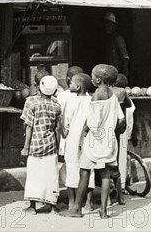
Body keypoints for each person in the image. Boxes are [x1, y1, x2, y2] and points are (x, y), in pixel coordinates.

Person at [64, 64, 124, 219]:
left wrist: (86, 130)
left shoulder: (96, 95)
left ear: (98, 79)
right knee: (105, 174)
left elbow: (93, 123)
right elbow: (121, 119)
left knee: (84, 172)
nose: (91, 78)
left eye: (92, 75)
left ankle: (76, 208)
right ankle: (104, 211)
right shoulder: (113, 95)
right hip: (108, 141)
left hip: (94, 142)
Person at [20, 75, 62, 215]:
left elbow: (28, 127)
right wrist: (57, 146)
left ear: (38, 87)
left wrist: (25, 148)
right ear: (55, 91)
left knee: (34, 175)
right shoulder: (56, 106)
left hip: (34, 145)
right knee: (51, 175)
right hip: (50, 145)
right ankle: (52, 207)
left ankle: (32, 206)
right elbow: (57, 129)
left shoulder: (31, 102)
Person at [59, 73, 93, 210]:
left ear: (77, 86)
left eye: (71, 83)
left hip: (73, 138)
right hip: (88, 138)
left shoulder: (71, 101)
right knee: (89, 169)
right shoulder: (92, 100)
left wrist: (63, 130)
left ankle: (71, 202)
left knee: (71, 167)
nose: (70, 85)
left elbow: (65, 122)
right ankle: (89, 203)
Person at [109, 73, 131, 205]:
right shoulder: (122, 92)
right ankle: (119, 194)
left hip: (105, 131)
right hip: (118, 130)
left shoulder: (99, 92)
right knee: (115, 163)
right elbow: (127, 105)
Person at [114, 73, 136, 200]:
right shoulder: (128, 101)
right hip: (124, 133)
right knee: (122, 158)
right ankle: (121, 185)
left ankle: (118, 185)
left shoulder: (113, 97)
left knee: (117, 159)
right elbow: (131, 120)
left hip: (118, 132)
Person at [103, 13, 130, 77]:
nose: (107, 27)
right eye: (105, 25)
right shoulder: (110, 40)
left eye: (109, 25)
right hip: (110, 74)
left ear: (114, 26)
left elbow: (125, 58)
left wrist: (122, 76)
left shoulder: (118, 39)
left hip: (117, 75)